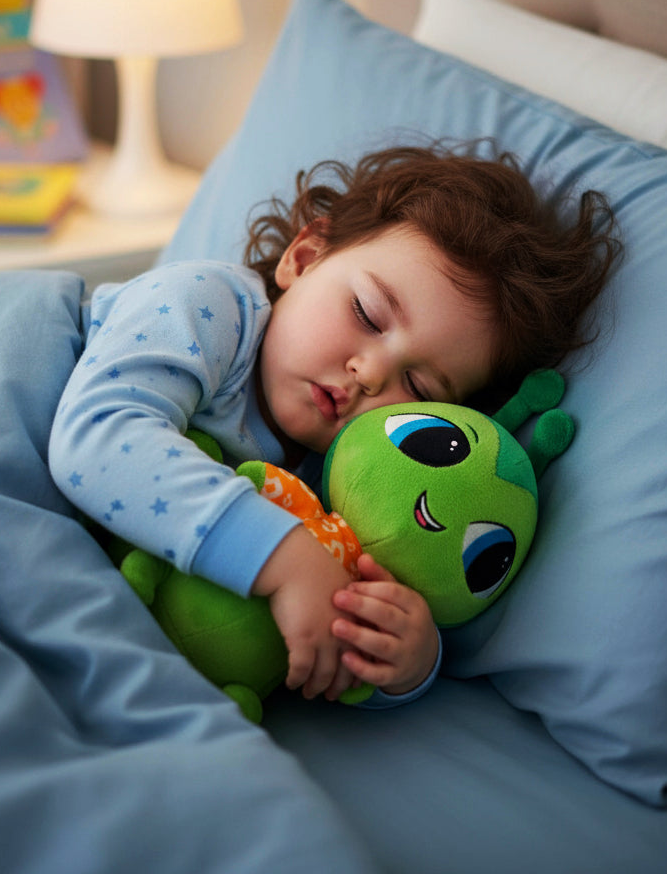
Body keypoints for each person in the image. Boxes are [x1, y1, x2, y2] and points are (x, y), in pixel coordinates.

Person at [48, 143, 621, 708]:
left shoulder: (345, 479)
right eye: (367, 315)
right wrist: (285, 559)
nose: (369, 373)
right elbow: (98, 437)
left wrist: (404, 662)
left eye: (418, 389)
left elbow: (311, 638)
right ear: (304, 258)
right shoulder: (210, 306)